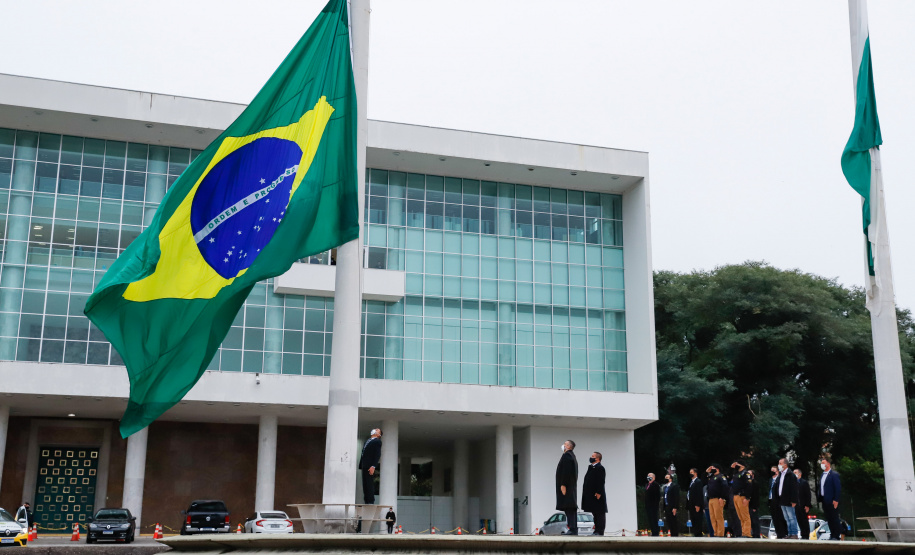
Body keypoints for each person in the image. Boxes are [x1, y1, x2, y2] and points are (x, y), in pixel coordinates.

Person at [555, 440, 579, 535]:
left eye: (565, 444)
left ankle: (572, 528)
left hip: (567, 486)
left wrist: (563, 484)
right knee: (570, 508)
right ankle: (573, 528)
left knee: (569, 507)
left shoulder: (567, 456)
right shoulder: (572, 456)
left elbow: (566, 471)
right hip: (570, 486)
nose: (563, 445)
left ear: (568, 446)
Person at [581, 451, 606, 535]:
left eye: (592, 456)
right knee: (595, 512)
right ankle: (596, 530)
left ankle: (600, 531)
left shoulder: (600, 468)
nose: (591, 457)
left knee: (599, 513)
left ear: (597, 459)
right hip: (591, 495)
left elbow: (601, 481)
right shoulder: (591, 467)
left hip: (597, 495)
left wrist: (599, 492)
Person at [817, 456, 842, 541]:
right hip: (824, 500)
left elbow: (837, 488)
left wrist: (836, 499)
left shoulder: (834, 475)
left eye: (823, 463)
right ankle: (832, 534)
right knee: (829, 518)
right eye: (821, 463)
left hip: (832, 500)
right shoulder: (822, 475)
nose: (822, 464)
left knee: (834, 517)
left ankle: (836, 535)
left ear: (828, 464)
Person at [359, 428, 383, 504]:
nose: (375, 430)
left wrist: (373, 466)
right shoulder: (367, 441)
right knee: (365, 483)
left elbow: (377, 454)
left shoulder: (377, 441)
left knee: (369, 483)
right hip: (364, 464)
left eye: (377, 430)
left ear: (379, 434)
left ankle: (370, 501)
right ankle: (366, 500)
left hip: (370, 466)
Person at [777, 458, 799, 539]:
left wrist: (794, 500)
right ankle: (789, 533)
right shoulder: (781, 474)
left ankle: (794, 533)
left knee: (791, 517)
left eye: (780, 463)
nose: (778, 465)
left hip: (789, 500)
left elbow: (794, 488)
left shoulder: (791, 475)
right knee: (786, 518)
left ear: (785, 465)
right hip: (782, 499)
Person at [730, 460, 752, 538]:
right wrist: (733, 467)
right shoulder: (736, 473)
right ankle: (743, 532)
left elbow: (749, 485)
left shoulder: (746, 473)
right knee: (740, 516)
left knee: (745, 515)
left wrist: (747, 497)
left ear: (742, 465)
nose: (736, 465)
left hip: (742, 496)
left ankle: (747, 533)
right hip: (735, 496)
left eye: (738, 464)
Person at [706, 464, 728, 537]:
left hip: (717, 499)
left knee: (718, 517)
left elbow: (725, 487)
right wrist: (708, 470)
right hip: (711, 499)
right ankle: (715, 533)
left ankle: (720, 534)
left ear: (717, 469)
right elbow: (704, 476)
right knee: (712, 517)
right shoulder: (711, 477)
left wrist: (722, 497)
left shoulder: (721, 476)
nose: (712, 469)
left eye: (713, 468)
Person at [768, 466, 788, 538]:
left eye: (773, 470)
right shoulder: (771, 480)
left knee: (780, 517)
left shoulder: (780, 479)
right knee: (774, 518)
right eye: (771, 470)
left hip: (778, 501)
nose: (772, 472)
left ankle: (783, 533)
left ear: (777, 471)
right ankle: (778, 533)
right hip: (771, 500)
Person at [795, 468, 812, 540]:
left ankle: (806, 535)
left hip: (803, 505)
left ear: (799, 474)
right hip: (796, 506)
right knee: (799, 520)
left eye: (795, 472)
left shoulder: (804, 482)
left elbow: (808, 494)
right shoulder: (794, 483)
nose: (794, 474)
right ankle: (802, 534)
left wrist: (807, 505)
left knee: (804, 520)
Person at [686, 468, 704, 537]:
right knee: (693, 519)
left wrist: (698, 505)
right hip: (691, 504)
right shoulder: (691, 482)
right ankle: (695, 533)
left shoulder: (698, 481)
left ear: (695, 473)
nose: (690, 474)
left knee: (697, 520)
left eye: (691, 472)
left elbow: (699, 494)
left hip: (696, 505)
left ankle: (698, 534)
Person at [645, 472, 661, 536]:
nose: (648, 476)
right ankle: (653, 532)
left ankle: (655, 533)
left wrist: (655, 505)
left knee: (654, 519)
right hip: (648, 505)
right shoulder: (647, 485)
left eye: (650, 475)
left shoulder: (655, 485)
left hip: (653, 506)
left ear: (653, 477)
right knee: (650, 520)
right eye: (648, 475)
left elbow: (657, 496)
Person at [747, 470, 761, 538]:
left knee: (755, 520)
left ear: (753, 475)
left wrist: (755, 507)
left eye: (749, 473)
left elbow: (756, 496)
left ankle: (756, 534)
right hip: (747, 505)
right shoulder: (747, 483)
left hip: (753, 505)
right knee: (750, 520)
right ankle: (751, 533)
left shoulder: (755, 483)